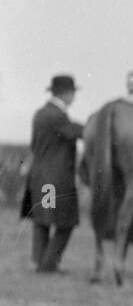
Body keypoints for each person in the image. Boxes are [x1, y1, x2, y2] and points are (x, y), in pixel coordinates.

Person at [21, 75, 84, 274]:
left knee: (42, 220)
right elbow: (74, 131)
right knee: (65, 222)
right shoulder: (57, 116)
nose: (74, 97)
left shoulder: (40, 113)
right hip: (54, 181)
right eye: (73, 93)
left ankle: (41, 262)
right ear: (66, 93)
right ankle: (47, 265)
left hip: (39, 177)